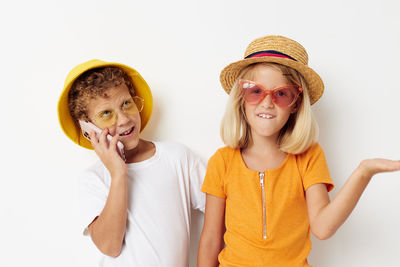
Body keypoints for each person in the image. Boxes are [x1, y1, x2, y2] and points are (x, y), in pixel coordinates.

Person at [197, 35, 400, 267]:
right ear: (240, 98)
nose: (267, 103)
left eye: (281, 94)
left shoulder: (308, 157)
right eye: (255, 91)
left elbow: (323, 228)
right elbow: (210, 240)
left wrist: (364, 172)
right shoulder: (222, 161)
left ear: (295, 104)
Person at [57, 59, 205, 267]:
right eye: (106, 114)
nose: (124, 120)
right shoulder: (93, 179)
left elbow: (225, 210)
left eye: (126, 103)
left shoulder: (177, 157)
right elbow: (110, 246)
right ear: (89, 130)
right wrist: (118, 173)